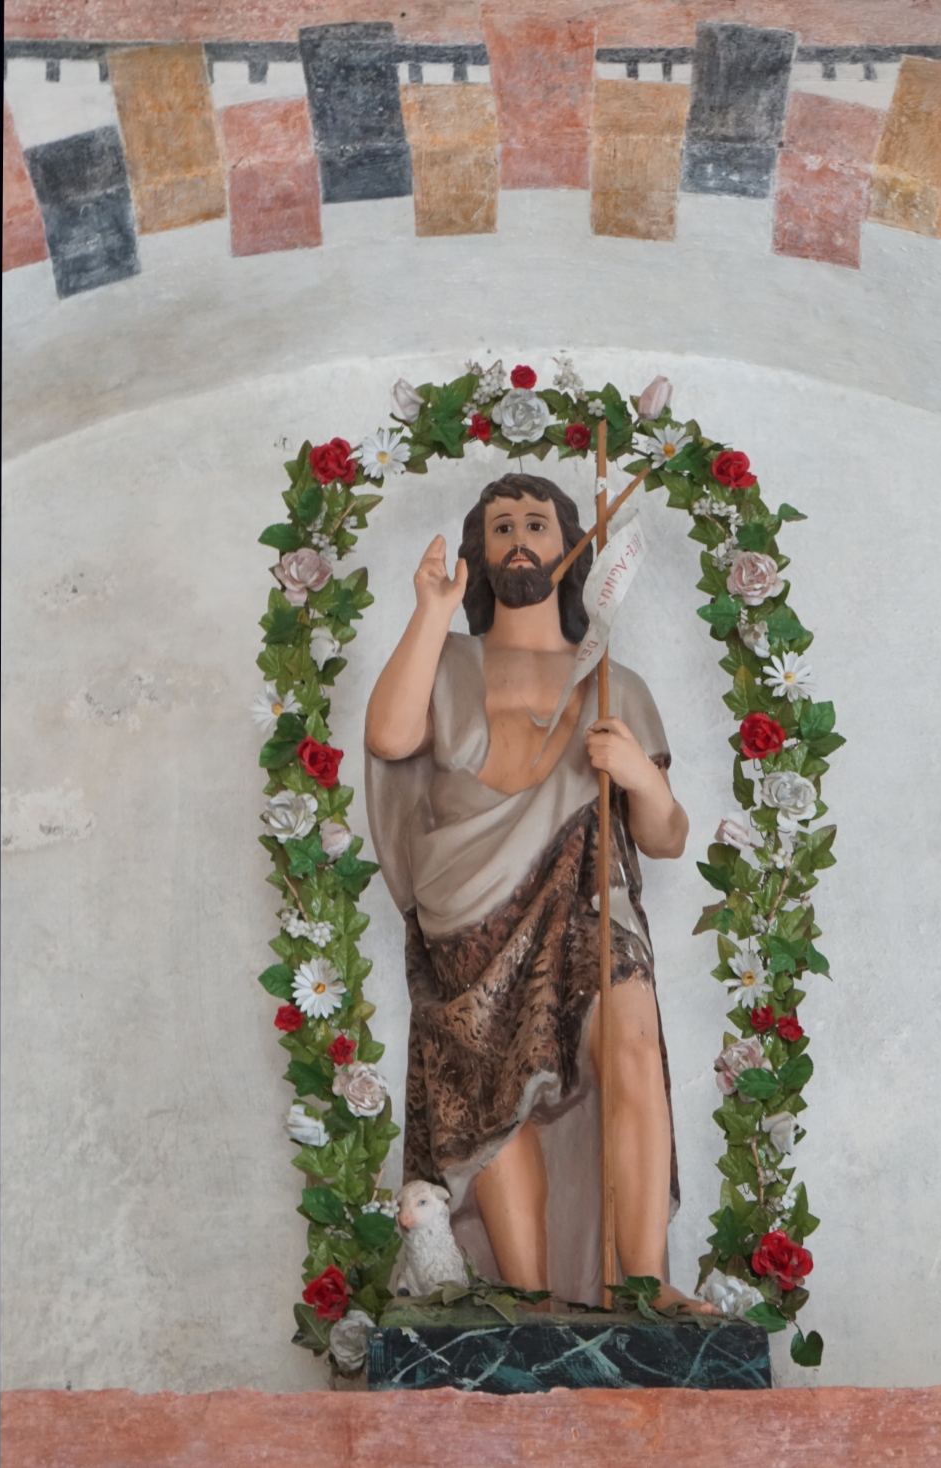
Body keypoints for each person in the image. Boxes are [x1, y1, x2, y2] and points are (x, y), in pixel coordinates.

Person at [365, 472, 715, 1311]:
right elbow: (389, 735)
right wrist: (431, 611)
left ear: (570, 548)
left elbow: (667, 836)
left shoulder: (615, 685)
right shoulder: (447, 659)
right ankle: (526, 1302)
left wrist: (641, 777)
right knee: (497, 1099)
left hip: (594, 898)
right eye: (500, 527)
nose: (518, 539)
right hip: (469, 905)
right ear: (481, 554)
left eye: (535, 524)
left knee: (632, 1043)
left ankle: (645, 1285)